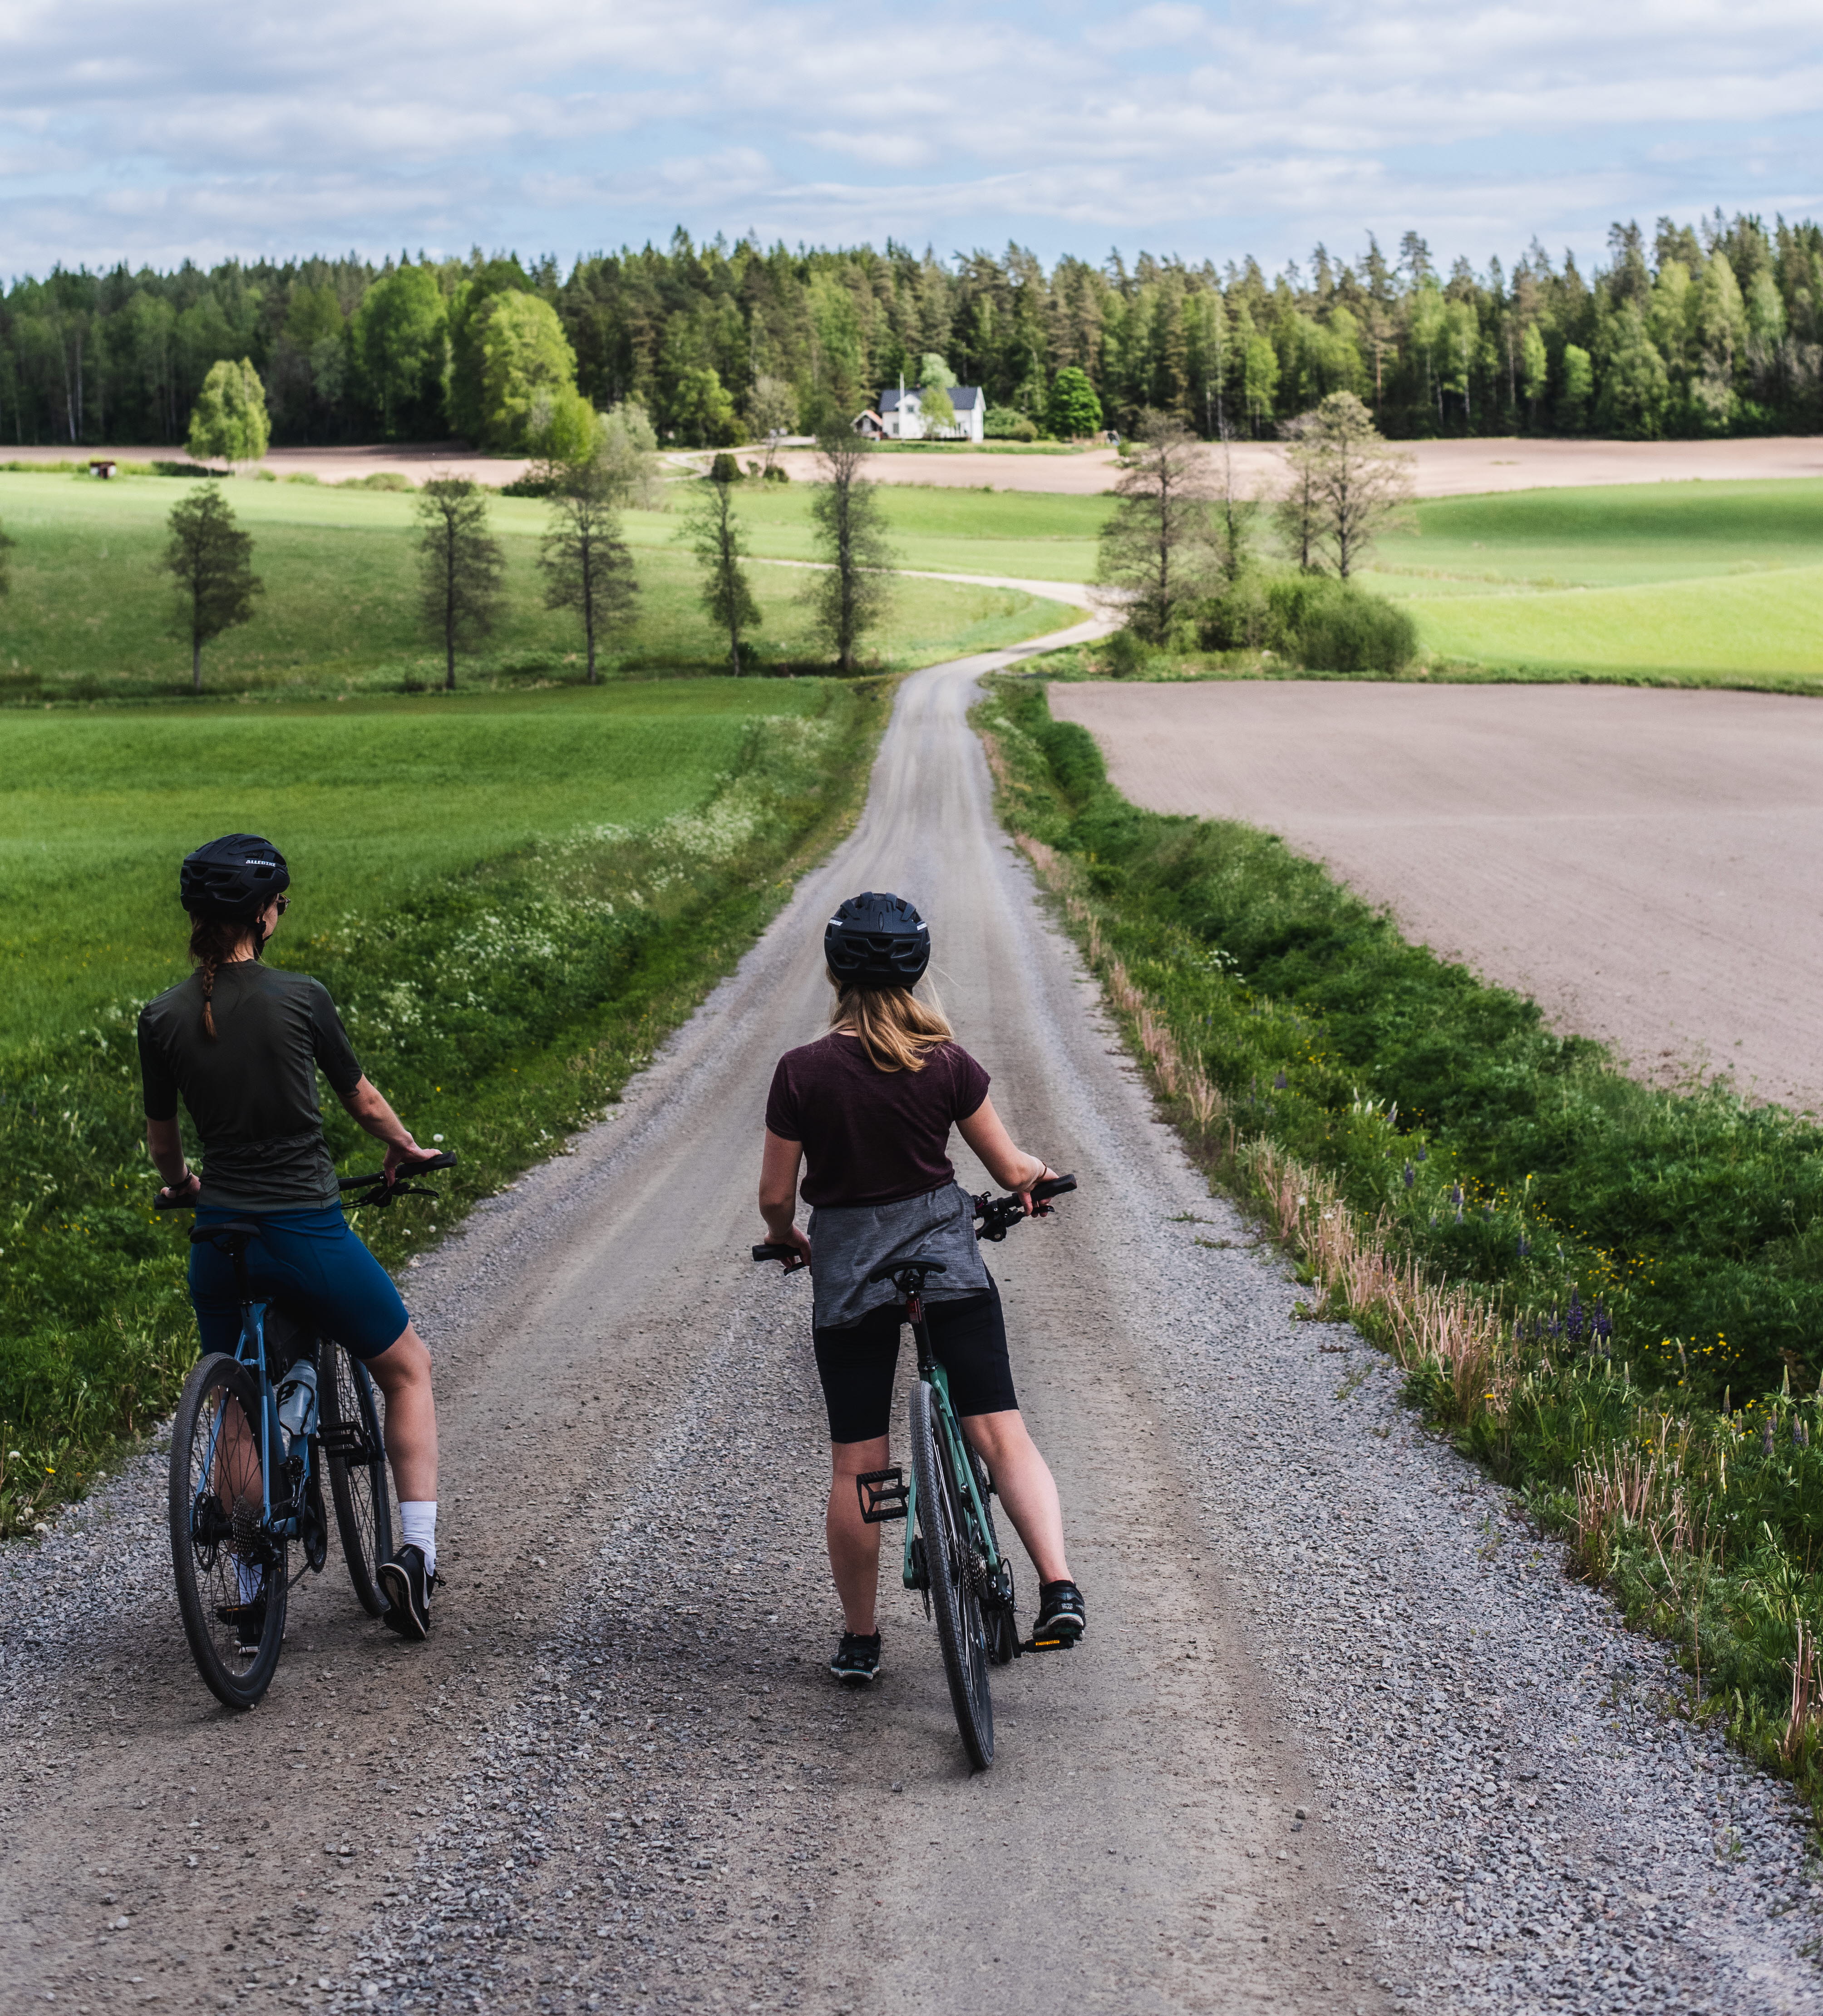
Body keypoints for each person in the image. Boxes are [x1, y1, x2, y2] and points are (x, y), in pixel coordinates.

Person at [758, 890, 1085, 1683]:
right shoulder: (947, 1062)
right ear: (920, 965)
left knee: (860, 1467)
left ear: (836, 966)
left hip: (849, 1284)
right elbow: (1009, 1170)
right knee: (1001, 1431)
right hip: (949, 1268)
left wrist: (786, 1239)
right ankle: (1058, 1584)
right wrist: (1037, 1177)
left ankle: (863, 1640)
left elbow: (776, 1197)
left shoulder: (801, 1073)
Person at [138, 833, 443, 1642]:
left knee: (238, 1400)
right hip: (305, 1230)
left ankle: (242, 1587)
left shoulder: (161, 1017)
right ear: (264, 917)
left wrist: (181, 1189)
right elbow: (365, 1102)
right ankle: (415, 1555)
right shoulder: (301, 998)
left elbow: (164, 1144)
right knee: (408, 1370)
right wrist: (406, 1149)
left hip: (220, 1242)